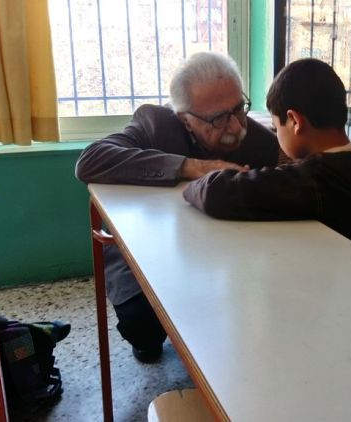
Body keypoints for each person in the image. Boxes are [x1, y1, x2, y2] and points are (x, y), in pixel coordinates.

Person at [75, 52, 279, 363]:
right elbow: (90, 161)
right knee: (143, 330)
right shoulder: (155, 124)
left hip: (226, 257)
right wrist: (192, 166)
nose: (236, 125)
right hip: (148, 251)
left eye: (239, 108)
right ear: (185, 118)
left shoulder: (258, 141)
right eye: (218, 118)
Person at [183, 58, 351, 247]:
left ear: (295, 121)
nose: (275, 134)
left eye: (276, 127)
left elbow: (217, 193)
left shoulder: (321, 178)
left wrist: (197, 179)